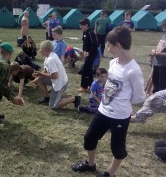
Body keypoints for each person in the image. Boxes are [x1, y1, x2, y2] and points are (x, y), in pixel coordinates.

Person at [72, 26, 145, 177]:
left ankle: (110, 174)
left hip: (120, 116)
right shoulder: (113, 62)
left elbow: (139, 97)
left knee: (117, 148)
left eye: (110, 46)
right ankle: (91, 165)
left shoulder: (134, 70)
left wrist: (121, 101)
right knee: (89, 138)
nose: (108, 49)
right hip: (103, 110)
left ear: (118, 45)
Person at [31, 40, 80, 109]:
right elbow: (46, 70)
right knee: (40, 80)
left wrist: (40, 74)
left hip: (60, 83)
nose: (39, 50)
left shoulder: (51, 60)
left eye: (41, 49)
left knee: (53, 106)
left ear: (45, 50)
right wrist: (37, 79)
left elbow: (55, 76)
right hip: (58, 79)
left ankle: (75, 98)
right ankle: (47, 98)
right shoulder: (50, 55)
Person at [78, 18, 98, 92]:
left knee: (85, 69)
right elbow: (84, 43)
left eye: (81, 25)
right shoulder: (84, 32)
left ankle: (84, 86)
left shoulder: (91, 32)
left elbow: (95, 44)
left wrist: (89, 52)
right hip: (87, 53)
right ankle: (91, 85)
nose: (80, 27)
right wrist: (84, 51)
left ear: (86, 25)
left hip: (91, 54)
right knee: (89, 70)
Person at [150, 20, 166, 93]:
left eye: (165, 27)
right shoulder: (163, 37)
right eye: (163, 27)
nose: (163, 29)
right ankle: (155, 99)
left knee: (162, 86)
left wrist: (159, 54)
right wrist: (154, 51)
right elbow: (159, 48)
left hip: (164, 65)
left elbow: (161, 52)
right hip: (156, 63)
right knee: (155, 83)